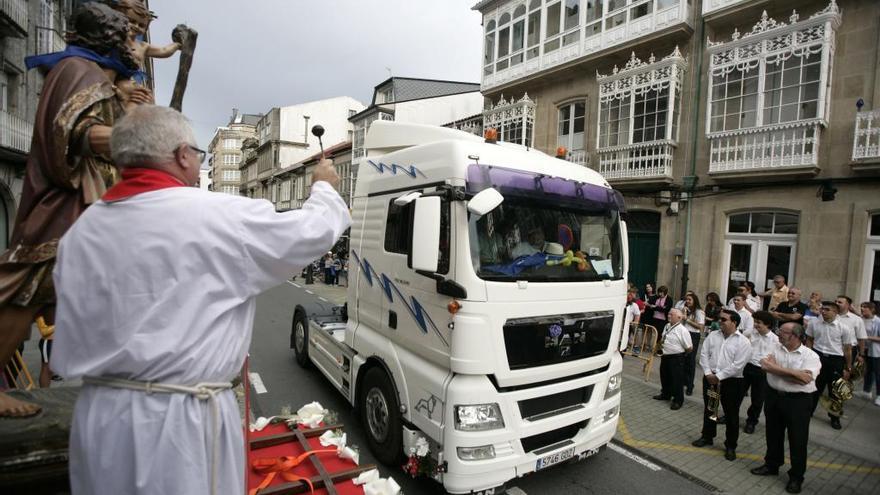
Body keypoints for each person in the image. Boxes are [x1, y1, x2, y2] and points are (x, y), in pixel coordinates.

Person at [51, 105, 351, 494]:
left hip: (100, 421)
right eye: (197, 154)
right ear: (181, 155)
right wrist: (325, 188)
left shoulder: (81, 232)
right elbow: (310, 233)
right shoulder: (216, 216)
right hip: (177, 427)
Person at [0, 3, 151, 417]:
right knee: (26, 289)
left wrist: (130, 111)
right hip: (62, 205)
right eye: (128, 37)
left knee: (95, 290)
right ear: (107, 39)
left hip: (84, 205)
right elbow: (77, 133)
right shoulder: (78, 70)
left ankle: (128, 378)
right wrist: (143, 136)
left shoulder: (93, 73)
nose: (133, 45)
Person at [751, 322, 821, 494]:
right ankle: (772, 464)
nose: (778, 334)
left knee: (797, 439)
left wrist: (776, 369)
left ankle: (796, 477)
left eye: (782, 332)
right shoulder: (776, 348)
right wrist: (792, 373)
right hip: (774, 397)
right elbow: (764, 365)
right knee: (773, 433)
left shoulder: (810, 356)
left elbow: (805, 379)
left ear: (795, 336)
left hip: (798, 401)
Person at [692, 309, 752, 461]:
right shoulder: (713, 335)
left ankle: (730, 446)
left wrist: (718, 377)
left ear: (734, 323)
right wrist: (707, 373)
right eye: (720, 318)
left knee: (731, 414)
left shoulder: (743, 342)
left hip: (731, 382)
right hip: (711, 379)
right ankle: (707, 436)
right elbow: (704, 354)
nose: (720, 321)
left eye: (724, 319)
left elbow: (738, 365)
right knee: (711, 409)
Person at [805, 301, 855, 429]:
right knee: (814, 387)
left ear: (835, 312)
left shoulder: (843, 328)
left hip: (835, 360)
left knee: (835, 391)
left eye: (827, 310)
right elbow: (809, 339)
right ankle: (808, 411)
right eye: (822, 309)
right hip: (818, 356)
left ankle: (834, 417)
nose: (823, 312)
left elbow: (847, 348)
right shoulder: (814, 323)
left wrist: (848, 367)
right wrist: (808, 356)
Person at [742, 311, 778, 434]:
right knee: (737, 394)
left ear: (768, 325)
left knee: (757, 399)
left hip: (762, 371)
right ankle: (729, 415)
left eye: (759, 322)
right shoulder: (750, 333)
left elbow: (776, 358)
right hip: (746, 367)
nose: (755, 324)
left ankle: (751, 422)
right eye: (755, 321)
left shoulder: (775, 340)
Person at [652, 308, 692, 410]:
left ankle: (678, 400)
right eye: (669, 313)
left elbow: (689, 348)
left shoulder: (683, 330)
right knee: (665, 376)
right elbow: (663, 338)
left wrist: (680, 355)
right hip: (665, 356)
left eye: (672, 314)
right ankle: (665, 394)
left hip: (676, 358)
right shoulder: (667, 325)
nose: (669, 315)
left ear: (679, 317)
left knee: (677, 380)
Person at [681, 293, 706, 396]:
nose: (687, 301)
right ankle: (683, 381)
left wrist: (687, 319)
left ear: (695, 301)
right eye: (686, 299)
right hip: (684, 334)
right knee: (683, 359)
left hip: (693, 336)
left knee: (690, 361)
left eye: (690, 300)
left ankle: (690, 385)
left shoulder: (699, 312)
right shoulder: (686, 310)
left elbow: (700, 327)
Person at [858, 302, 880, 405]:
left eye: (865, 307)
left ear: (872, 310)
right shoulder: (861, 319)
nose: (862, 309)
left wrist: (865, 337)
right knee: (867, 370)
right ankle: (866, 391)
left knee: (877, 373)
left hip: (876, 351)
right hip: (864, 349)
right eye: (862, 307)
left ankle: (879, 396)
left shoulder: (878, 321)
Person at [836, 295, 867, 368]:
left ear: (848, 305)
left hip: (849, 351)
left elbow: (861, 338)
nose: (836, 303)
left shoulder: (856, 319)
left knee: (845, 373)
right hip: (832, 349)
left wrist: (861, 355)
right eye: (836, 301)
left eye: (840, 302)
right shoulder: (831, 317)